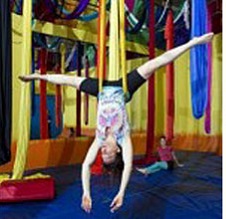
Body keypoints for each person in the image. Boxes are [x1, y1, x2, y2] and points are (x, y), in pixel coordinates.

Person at [19, 32, 214, 213]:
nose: (102, 150)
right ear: (117, 151)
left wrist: (86, 192)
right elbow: (128, 165)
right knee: (156, 63)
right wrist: (121, 193)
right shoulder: (124, 138)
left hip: (101, 91)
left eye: (102, 152)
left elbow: (85, 165)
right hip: (124, 89)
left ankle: (37, 76)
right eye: (107, 153)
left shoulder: (99, 138)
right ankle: (194, 42)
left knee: (67, 81)